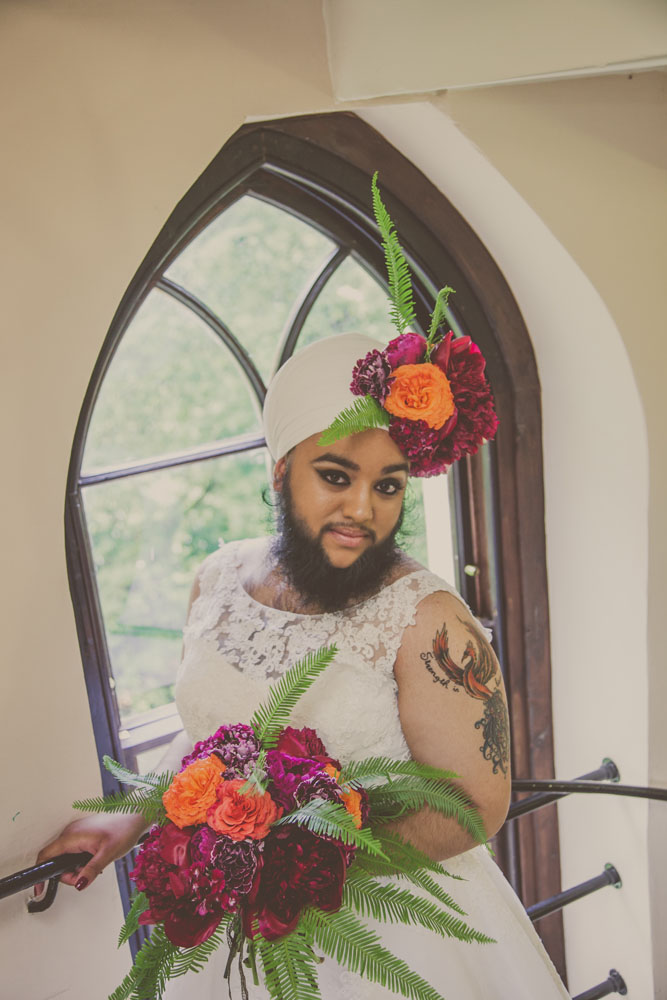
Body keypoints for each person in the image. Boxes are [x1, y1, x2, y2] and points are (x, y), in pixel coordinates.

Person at [37, 332, 569, 999]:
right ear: (280, 469)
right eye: (336, 477)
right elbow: (208, 740)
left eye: (388, 485)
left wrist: (298, 865)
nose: (361, 510)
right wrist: (129, 817)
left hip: (398, 942)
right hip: (234, 937)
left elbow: (474, 808)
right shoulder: (217, 578)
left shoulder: (428, 619)